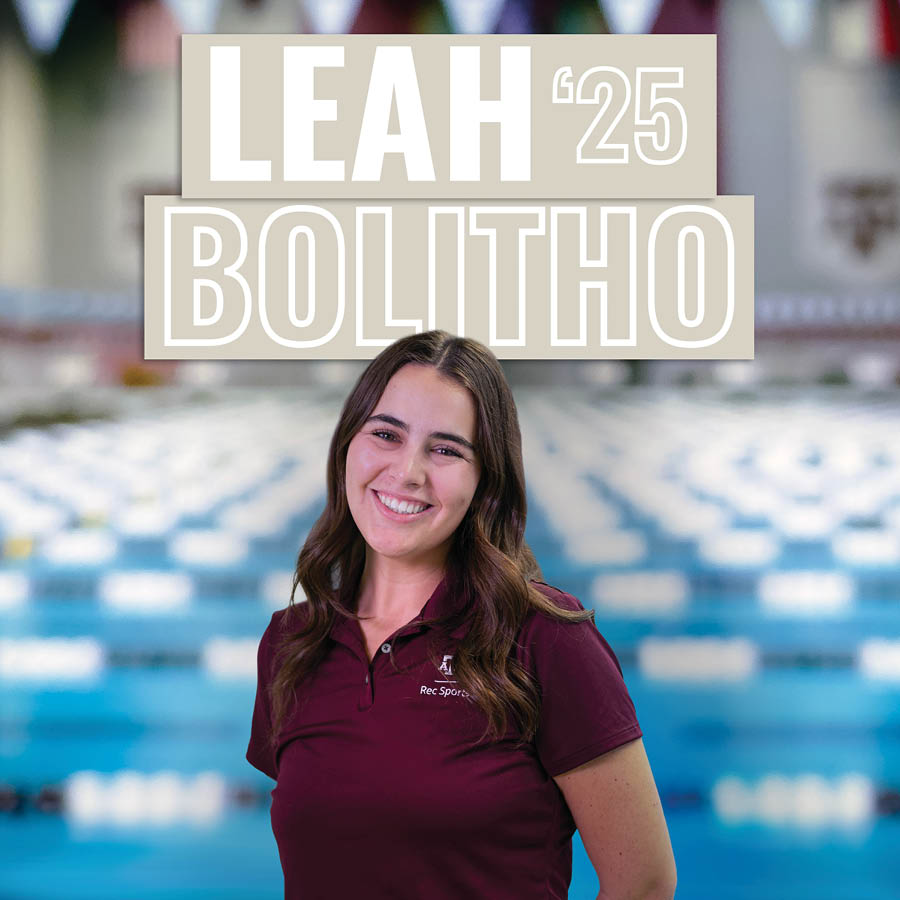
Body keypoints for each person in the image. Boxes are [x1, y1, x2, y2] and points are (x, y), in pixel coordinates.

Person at [247, 330, 676, 900]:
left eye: (446, 450)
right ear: (348, 445)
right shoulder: (292, 643)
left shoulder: (544, 638)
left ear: (484, 480)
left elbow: (643, 882)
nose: (408, 473)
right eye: (386, 435)